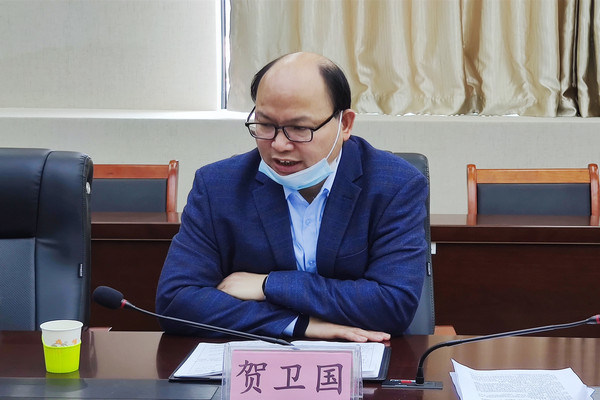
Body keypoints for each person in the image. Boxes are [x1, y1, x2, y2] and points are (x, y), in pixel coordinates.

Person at [156, 52, 428, 342]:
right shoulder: (217, 187)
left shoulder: (395, 186)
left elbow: (393, 304)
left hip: (367, 355)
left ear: (345, 124)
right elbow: (176, 301)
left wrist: (269, 285)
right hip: (257, 357)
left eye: (299, 128)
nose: (279, 145)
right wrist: (297, 324)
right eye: (266, 125)